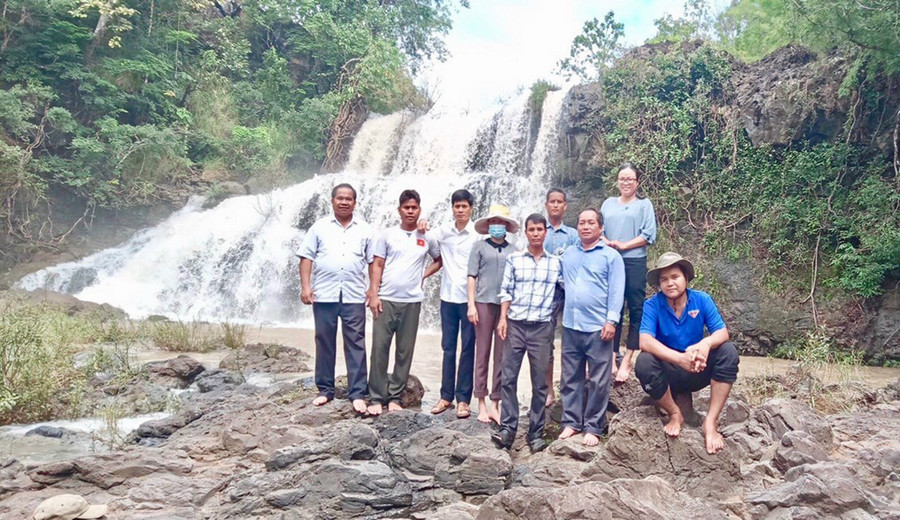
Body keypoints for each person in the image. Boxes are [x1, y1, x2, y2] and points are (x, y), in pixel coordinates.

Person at [635, 252, 740, 455]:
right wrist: (679, 359)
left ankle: (710, 421)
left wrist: (705, 344)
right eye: (664, 280)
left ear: (685, 278)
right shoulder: (652, 305)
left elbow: (722, 332)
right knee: (644, 362)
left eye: (675, 277)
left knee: (728, 351)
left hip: (698, 368)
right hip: (670, 371)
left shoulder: (702, 300)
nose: (670, 283)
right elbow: (645, 341)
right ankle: (675, 413)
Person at [298, 183, 372, 415]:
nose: (344, 202)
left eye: (348, 199)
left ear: (355, 203)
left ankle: (358, 392)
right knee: (324, 340)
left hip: (354, 294)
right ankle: (325, 389)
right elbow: (306, 257)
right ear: (332, 201)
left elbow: (373, 262)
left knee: (356, 342)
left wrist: (373, 290)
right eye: (339, 198)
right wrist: (306, 287)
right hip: (325, 293)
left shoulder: (365, 229)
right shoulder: (319, 227)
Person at [491, 214, 562, 453]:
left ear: (545, 232)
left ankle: (536, 433)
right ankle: (508, 429)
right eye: (531, 229)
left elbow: (561, 292)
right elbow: (506, 290)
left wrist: (553, 321)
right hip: (515, 325)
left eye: (539, 229)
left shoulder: (555, 263)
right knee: (508, 377)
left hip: (541, 327)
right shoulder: (514, 260)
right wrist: (502, 318)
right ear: (526, 232)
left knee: (540, 382)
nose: (535, 233)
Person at [366, 190, 441, 416]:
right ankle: (376, 397)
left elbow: (439, 261)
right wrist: (373, 293)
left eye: (414, 207)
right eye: (406, 207)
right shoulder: (387, 235)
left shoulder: (427, 237)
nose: (410, 211)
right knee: (379, 348)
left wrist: (423, 277)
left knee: (404, 351)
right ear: (399, 210)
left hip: (412, 301)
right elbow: (377, 264)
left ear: (420, 210)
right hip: (386, 299)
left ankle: (395, 397)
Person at [557, 209, 625, 446]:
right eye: (581, 222)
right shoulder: (568, 255)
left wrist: (612, 320)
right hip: (571, 324)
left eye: (591, 223)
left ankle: (594, 427)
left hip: (599, 327)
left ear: (601, 228)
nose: (585, 226)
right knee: (570, 377)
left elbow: (617, 291)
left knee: (598, 379)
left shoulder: (611, 256)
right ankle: (571, 423)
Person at [424, 189, 479, 419]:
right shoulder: (442, 231)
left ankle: (464, 400)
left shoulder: (478, 234)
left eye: (464, 206)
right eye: (456, 206)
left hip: (470, 301)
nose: (460, 210)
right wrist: (422, 225)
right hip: (447, 297)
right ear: (452, 208)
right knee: (448, 348)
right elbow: (429, 244)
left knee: (467, 349)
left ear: (471, 208)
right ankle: (446, 396)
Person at [602, 163, 658, 383]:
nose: (625, 182)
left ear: (637, 182)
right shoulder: (607, 204)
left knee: (635, 308)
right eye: (622, 179)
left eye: (630, 179)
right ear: (617, 181)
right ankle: (612, 357)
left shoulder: (644, 205)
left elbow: (648, 235)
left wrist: (624, 246)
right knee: (612, 307)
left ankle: (628, 357)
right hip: (610, 261)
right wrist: (607, 243)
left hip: (634, 261)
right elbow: (600, 230)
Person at [467, 204, 519, 423]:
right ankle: (480, 402)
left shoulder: (514, 251)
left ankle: (495, 403)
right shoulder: (479, 247)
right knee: (483, 352)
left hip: (505, 306)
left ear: (506, 226)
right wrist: (471, 305)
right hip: (483, 303)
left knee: (501, 354)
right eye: (493, 222)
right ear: (488, 225)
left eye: (501, 222)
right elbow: (471, 277)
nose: (497, 225)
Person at [543, 188, 579, 407]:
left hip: (571, 291)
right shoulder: (538, 230)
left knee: (572, 341)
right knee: (546, 342)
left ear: (565, 206)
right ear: (546, 205)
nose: (556, 205)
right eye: (552, 202)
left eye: (560, 202)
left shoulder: (574, 235)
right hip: (546, 292)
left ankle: (568, 389)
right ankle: (548, 390)